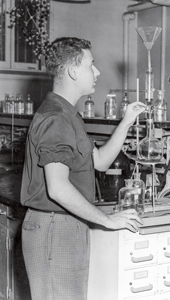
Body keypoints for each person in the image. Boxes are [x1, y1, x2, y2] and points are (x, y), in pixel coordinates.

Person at [20, 37, 146, 300]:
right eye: (92, 65)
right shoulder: (56, 118)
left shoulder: (69, 115)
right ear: (73, 71)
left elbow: (99, 160)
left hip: (66, 224)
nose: (97, 72)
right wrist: (108, 221)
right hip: (55, 226)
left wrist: (126, 122)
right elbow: (57, 188)